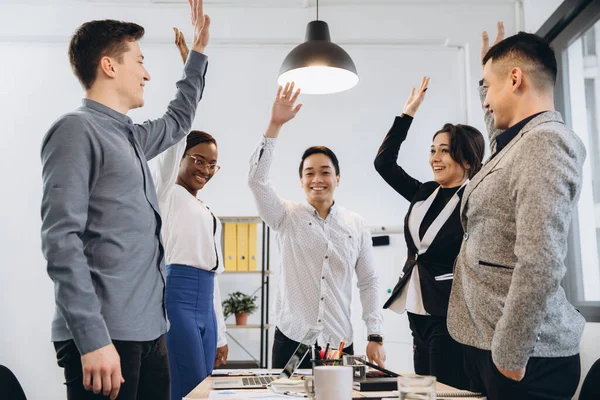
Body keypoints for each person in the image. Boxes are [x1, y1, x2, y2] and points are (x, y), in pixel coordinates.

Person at [39, 1, 210, 398]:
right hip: (105, 337)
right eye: (140, 61)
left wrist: (198, 54)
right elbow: (60, 241)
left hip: (150, 331)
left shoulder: (130, 136)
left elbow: (179, 120)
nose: (148, 73)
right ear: (109, 66)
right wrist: (92, 338)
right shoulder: (75, 131)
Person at [447, 22, 587, 400]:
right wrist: (486, 76)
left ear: (515, 79)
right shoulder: (519, 142)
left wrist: (511, 352)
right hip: (490, 342)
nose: (486, 101)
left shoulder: (546, 144)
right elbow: (497, 141)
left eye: (489, 89)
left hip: (522, 357)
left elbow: (541, 258)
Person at [248, 83, 387, 368]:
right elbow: (257, 180)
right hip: (292, 340)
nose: (317, 179)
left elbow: (369, 281)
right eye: (309, 173)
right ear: (301, 180)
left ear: (338, 178)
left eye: (325, 172)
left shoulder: (356, 225)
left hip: (337, 343)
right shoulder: (285, 216)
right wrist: (274, 125)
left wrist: (375, 333)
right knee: (287, 399)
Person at [374, 77, 484, 390]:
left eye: (444, 151)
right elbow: (383, 163)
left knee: (444, 389)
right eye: (432, 150)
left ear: (465, 158)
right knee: (422, 388)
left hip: (450, 309)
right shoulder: (425, 192)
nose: (434, 158)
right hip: (416, 306)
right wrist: (406, 116)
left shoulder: (474, 197)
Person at [150, 30, 228, 400]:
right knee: (188, 389)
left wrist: (222, 333)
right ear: (182, 157)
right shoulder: (166, 192)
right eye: (198, 159)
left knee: (206, 390)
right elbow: (178, 130)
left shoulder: (209, 212)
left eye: (212, 164)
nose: (205, 168)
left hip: (206, 306)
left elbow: (215, 275)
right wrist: (191, 67)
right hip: (177, 300)